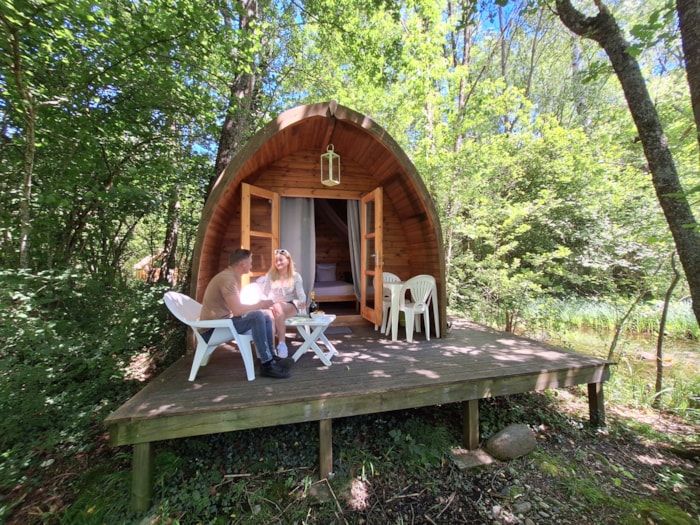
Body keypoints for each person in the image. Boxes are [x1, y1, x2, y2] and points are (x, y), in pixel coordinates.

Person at [200, 248, 291, 379]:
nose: (251, 265)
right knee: (258, 315)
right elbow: (237, 311)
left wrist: (260, 307)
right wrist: (260, 304)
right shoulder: (228, 280)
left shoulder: (230, 276)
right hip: (213, 330)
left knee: (264, 315)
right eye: (250, 262)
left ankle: (270, 358)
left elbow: (236, 309)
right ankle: (267, 365)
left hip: (223, 323)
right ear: (242, 264)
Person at [263, 248, 306, 358]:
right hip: (273, 305)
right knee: (269, 318)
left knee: (278, 306)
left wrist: (302, 303)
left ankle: (282, 344)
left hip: (289, 304)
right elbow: (264, 293)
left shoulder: (295, 276)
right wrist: (265, 304)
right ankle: (270, 350)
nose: (278, 263)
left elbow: (301, 295)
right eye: (276, 261)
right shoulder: (271, 275)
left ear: (288, 260)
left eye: (280, 260)